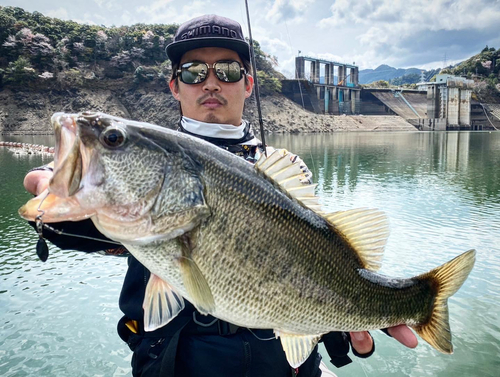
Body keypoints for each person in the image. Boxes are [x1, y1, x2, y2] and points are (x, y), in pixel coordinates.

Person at [24, 14, 417, 377]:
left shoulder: (287, 167)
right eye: (193, 71)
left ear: (248, 83)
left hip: (279, 363)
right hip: (178, 360)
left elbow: (321, 264)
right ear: (174, 86)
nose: (210, 82)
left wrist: (343, 323)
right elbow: (76, 221)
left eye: (227, 70)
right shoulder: (145, 171)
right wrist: (57, 188)